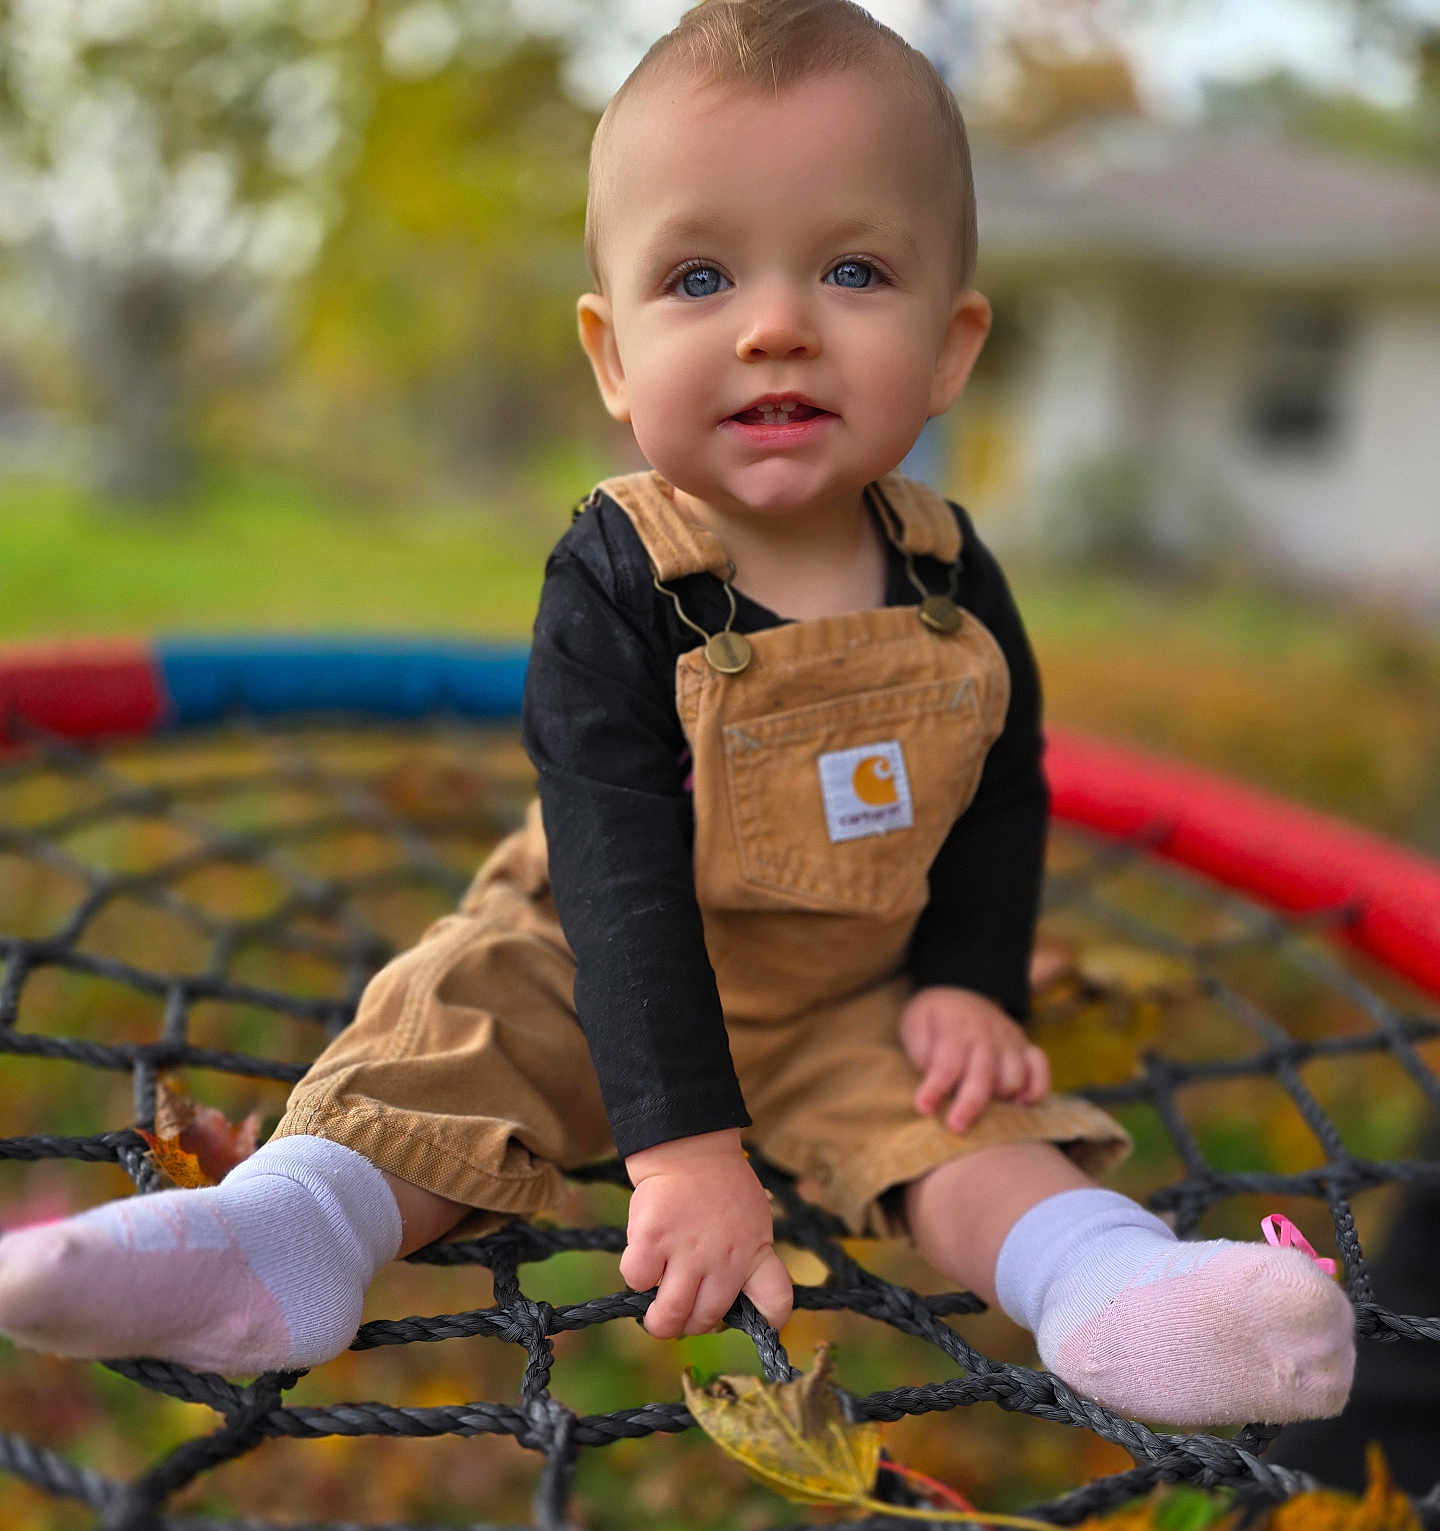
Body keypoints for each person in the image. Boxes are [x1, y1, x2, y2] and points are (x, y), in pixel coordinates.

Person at [0, 0, 1356, 1428]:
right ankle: (284, 1237)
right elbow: (614, 855)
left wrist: (967, 978)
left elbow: (1003, 785)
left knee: (969, 1128)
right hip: (594, 959)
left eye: (851, 269)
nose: (777, 327)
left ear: (952, 346)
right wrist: (685, 1144)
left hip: (854, 994)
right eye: (701, 276)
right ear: (611, 353)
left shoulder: (950, 568)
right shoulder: (620, 572)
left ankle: (1117, 1291)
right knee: (451, 1033)